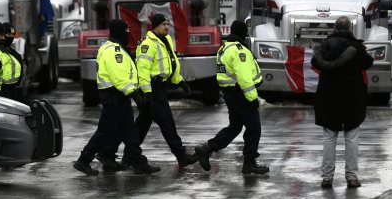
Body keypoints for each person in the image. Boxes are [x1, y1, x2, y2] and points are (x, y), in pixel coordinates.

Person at [105, 14, 197, 170]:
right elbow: (143, 70)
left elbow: (170, 63)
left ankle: (127, 157)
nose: (167, 27)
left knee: (142, 125)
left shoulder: (165, 40)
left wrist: (180, 81)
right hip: (152, 89)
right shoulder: (147, 45)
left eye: (168, 24)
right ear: (154, 26)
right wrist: (147, 92)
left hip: (159, 87)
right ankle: (181, 155)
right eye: (163, 24)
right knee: (167, 122)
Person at [73, 19, 161, 176]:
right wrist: (137, 97)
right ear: (119, 32)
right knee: (105, 132)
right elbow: (120, 78)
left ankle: (138, 162)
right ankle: (84, 160)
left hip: (119, 97)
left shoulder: (114, 49)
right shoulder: (114, 51)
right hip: (114, 97)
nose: (128, 34)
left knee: (129, 131)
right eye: (126, 31)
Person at [195, 20, 269, 175]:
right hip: (240, 94)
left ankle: (207, 148)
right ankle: (249, 163)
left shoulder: (224, 48)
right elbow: (244, 77)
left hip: (231, 94)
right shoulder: (238, 50)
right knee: (254, 128)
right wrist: (252, 98)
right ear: (243, 33)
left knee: (235, 127)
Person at [311, 16, 373, 189]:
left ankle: (327, 178)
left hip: (328, 97)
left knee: (329, 137)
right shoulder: (357, 47)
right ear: (350, 29)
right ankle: (352, 178)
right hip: (352, 98)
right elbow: (368, 63)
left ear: (334, 29)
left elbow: (314, 63)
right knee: (351, 137)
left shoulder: (324, 46)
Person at [0, 22, 25, 103]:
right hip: (1, 93)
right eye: (8, 34)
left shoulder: (12, 52)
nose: (11, 38)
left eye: (12, 35)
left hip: (13, 91)